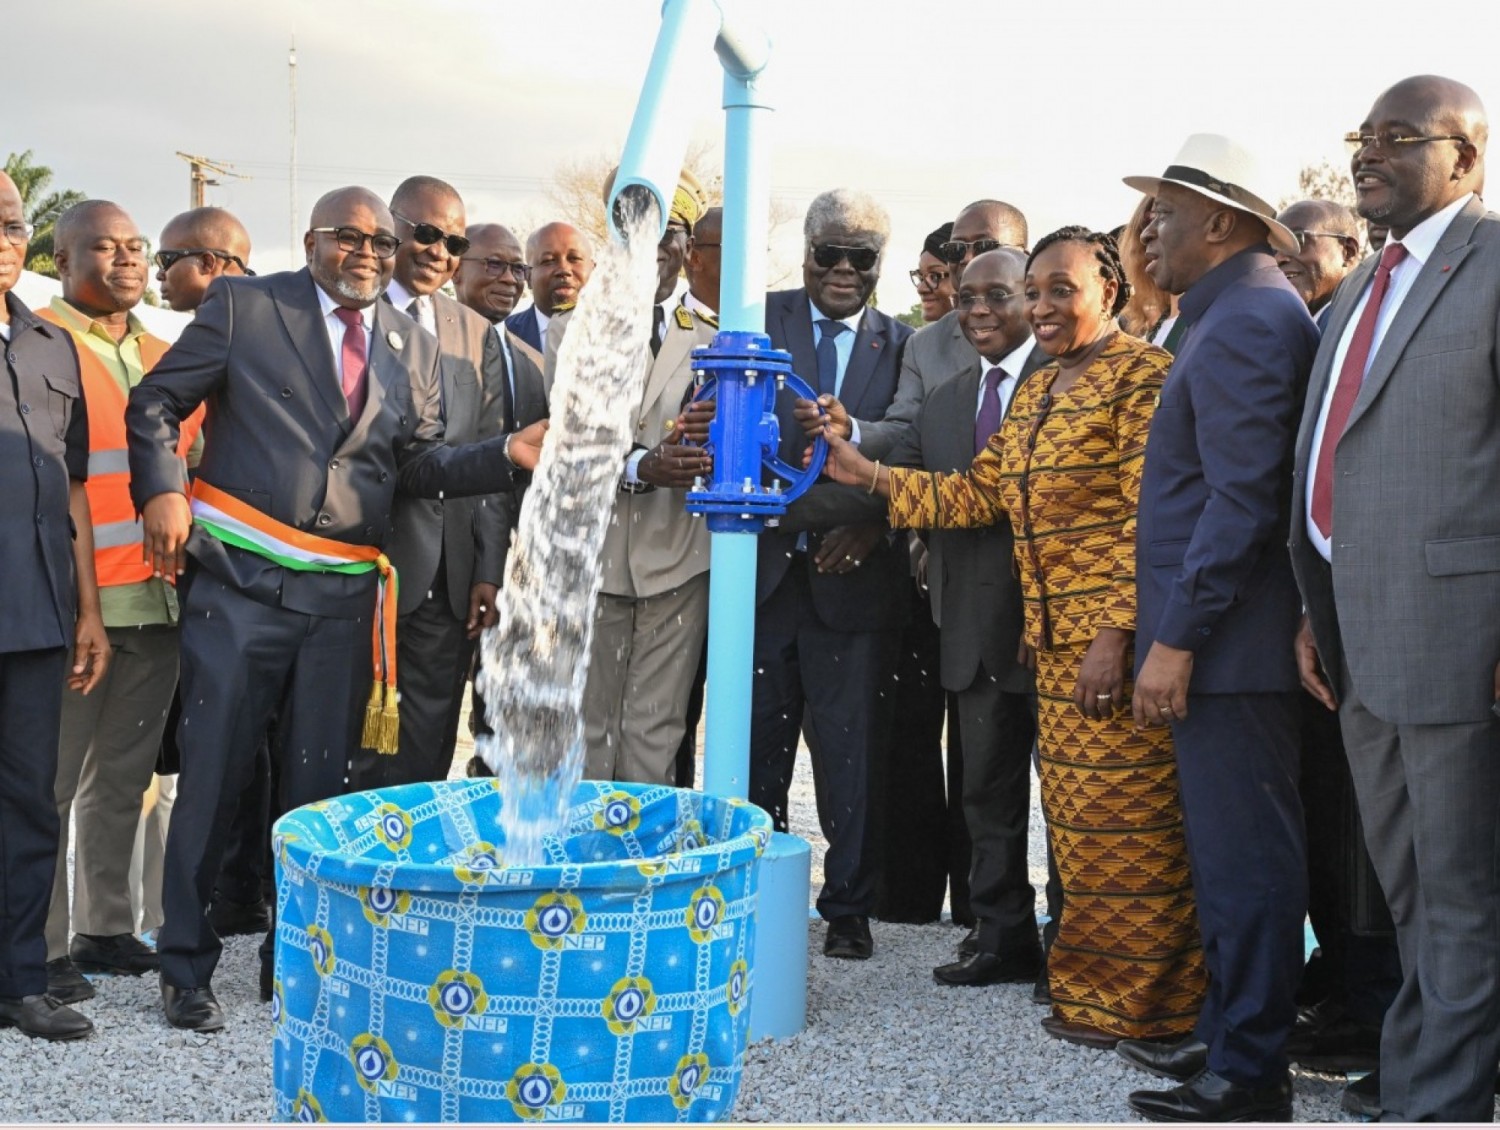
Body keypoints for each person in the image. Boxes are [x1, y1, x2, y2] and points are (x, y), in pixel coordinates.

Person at [125, 185, 547, 1033]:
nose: (366, 254)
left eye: (379, 244)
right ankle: (185, 967)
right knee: (214, 775)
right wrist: (162, 494)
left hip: (344, 597)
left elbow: (420, 467)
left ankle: (297, 965)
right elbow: (156, 403)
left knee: (319, 793)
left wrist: (504, 451)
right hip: (242, 584)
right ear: (312, 240)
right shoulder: (246, 305)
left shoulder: (409, 345)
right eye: (347, 238)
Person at [821, 227, 1207, 1049]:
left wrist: (1117, 631)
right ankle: (1091, 1000)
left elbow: (1152, 519)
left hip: (1116, 649)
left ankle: (1157, 1011)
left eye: (1060, 290)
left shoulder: (1143, 378)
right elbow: (977, 495)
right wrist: (871, 475)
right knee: (1077, 834)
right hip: (1052, 648)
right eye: (1035, 292)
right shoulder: (1037, 392)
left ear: (1108, 288)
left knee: (1133, 833)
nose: (1042, 308)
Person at [1289, 74, 1500, 1123]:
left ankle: (1442, 1097)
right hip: (1355, 633)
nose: (1367, 155)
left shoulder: (1493, 264)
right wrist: (1311, 606)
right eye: (1361, 137)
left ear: (1466, 158)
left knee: (1460, 885)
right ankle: (1425, 1066)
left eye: (1398, 138)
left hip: (1458, 637)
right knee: (1407, 882)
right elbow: (1343, 454)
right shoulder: (1369, 283)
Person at [1114, 135, 1319, 1123]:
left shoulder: (1245, 318)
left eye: (1167, 207)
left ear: (1227, 224)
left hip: (1232, 648)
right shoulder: (1227, 312)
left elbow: (1242, 503)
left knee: (1247, 862)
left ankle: (1250, 1071)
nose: (1147, 225)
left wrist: (1178, 637)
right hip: (1226, 642)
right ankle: (1236, 1029)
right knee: (1230, 858)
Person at [39, 201, 204, 1004]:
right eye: (105, 248)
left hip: (158, 599)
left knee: (126, 779)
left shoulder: (166, 352)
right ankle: (34, 946)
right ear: (63, 260)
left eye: (137, 247)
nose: (128, 260)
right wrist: (79, 606)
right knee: (51, 780)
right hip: (76, 602)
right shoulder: (41, 344)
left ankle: (103, 929)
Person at [751, 188, 912, 962]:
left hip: (857, 584)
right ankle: (754, 898)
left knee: (852, 756)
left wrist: (869, 519)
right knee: (757, 751)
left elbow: (916, 454)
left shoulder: (907, 344)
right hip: (763, 581)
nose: (844, 270)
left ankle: (849, 907)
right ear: (805, 250)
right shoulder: (758, 316)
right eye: (830, 254)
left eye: (862, 258)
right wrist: (818, 509)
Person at [883, 247, 1049, 982]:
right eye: (966, 297)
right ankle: (1001, 933)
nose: (978, 309)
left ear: (1034, 299)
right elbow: (898, 483)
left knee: (1077, 798)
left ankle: (1077, 942)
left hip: (1061, 631)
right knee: (985, 793)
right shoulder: (948, 400)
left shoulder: (1070, 382)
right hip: (974, 633)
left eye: (999, 296)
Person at [1272, 197, 1397, 1090]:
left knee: (1378, 842)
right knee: (1329, 826)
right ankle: (1348, 999)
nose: (1282, 254)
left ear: (1351, 248)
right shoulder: (1320, 323)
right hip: (1311, 618)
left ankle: (1389, 1019)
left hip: (1387, 617)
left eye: (1298, 240)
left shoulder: (1375, 317)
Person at [348, 176, 511, 791]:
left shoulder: (476, 332)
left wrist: (488, 570)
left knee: (426, 747)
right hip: (364, 566)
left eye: (453, 241)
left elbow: (493, 460)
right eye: (425, 233)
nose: (439, 251)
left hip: (451, 578)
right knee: (352, 744)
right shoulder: (351, 309)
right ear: (392, 228)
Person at [0, 170, 109, 1041]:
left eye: (9, 223)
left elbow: (73, 488)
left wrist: (89, 611)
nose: (2, 238)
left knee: (29, 802)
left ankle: (19, 980)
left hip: (35, 614)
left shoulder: (46, 343)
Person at [152, 208, 267, 944]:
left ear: (214, 267)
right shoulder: (181, 344)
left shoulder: (242, 330)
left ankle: (238, 899)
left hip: (253, 581)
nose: (159, 273)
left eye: (168, 258)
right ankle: (181, 934)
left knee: (247, 759)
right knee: (202, 759)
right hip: (180, 581)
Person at [577, 202, 718, 784]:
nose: (654, 245)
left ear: (687, 248)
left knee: (656, 729)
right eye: (635, 231)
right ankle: (580, 865)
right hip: (593, 557)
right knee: (584, 727)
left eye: (670, 234)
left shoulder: (717, 336)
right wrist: (641, 464)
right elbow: (563, 439)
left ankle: (638, 866)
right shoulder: (576, 328)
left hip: (679, 559)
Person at [453, 222, 549, 780]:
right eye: (493, 264)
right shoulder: (426, 346)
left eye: (517, 268)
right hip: (436, 569)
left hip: (514, 572)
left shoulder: (528, 360)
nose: (509, 279)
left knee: (502, 726)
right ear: (456, 268)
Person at [505, 221, 593, 355]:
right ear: (528, 276)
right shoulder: (504, 337)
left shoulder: (621, 332)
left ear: (594, 270)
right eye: (548, 261)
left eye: (574, 258)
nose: (564, 270)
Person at [1272, 200, 1363, 324]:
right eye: (1272, 248)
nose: (1278, 258)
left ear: (1347, 251)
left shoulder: (1362, 323)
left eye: (1297, 240)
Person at [154, 207, 253, 313]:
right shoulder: (264, 318)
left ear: (207, 263)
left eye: (166, 259)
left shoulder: (214, 328)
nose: (159, 275)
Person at [1117, 196, 1179, 348]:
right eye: (1146, 223)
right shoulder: (1159, 327)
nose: (1146, 235)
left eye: (1162, 218)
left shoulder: (1208, 321)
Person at [910, 222, 955, 322]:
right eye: (921, 277)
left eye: (935, 277)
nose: (921, 289)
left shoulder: (994, 336)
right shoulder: (921, 337)